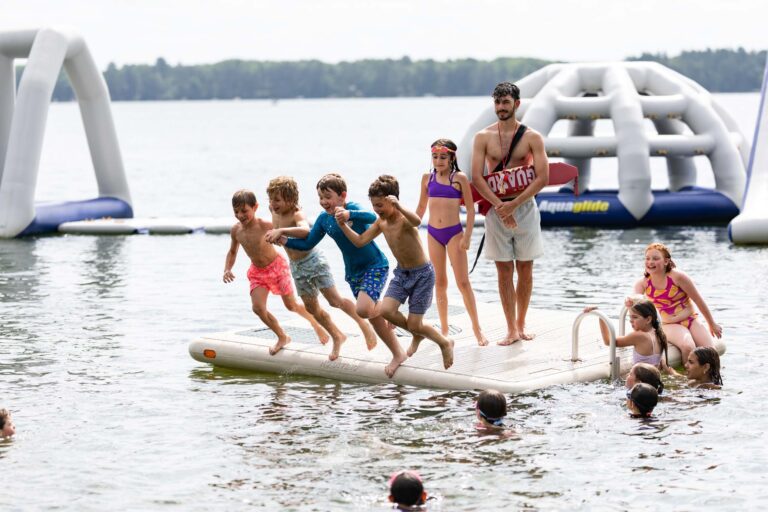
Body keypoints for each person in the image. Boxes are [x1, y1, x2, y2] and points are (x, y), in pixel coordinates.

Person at [278, 173, 406, 377]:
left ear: (342, 196)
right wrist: (284, 240)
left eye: (328, 197)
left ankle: (389, 308)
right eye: (320, 197)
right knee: (372, 316)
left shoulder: (352, 208)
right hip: (353, 273)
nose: (323, 202)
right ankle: (398, 353)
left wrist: (349, 215)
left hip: (374, 265)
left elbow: (373, 217)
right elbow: (308, 243)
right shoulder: (324, 220)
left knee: (364, 309)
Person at [336, 175, 454, 370]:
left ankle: (444, 342)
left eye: (380, 205)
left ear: (392, 201)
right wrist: (342, 226)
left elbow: (417, 221)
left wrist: (399, 206)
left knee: (415, 324)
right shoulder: (381, 223)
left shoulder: (404, 219)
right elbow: (360, 241)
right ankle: (418, 333)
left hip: (422, 275)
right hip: (401, 274)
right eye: (374, 205)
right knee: (386, 311)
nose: (376, 210)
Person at [263, 176, 377, 361]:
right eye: (271, 199)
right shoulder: (273, 210)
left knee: (334, 300)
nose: (273, 204)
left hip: (313, 262)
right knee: (311, 307)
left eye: (277, 200)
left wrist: (281, 231)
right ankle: (337, 335)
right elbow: (279, 230)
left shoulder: (297, 213)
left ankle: (363, 324)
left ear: (290, 200)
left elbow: (305, 231)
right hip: (296, 266)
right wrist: (276, 237)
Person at [471, 81, 549, 344]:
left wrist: (514, 205)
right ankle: (510, 329)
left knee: (525, 266)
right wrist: (499, 205)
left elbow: (542, 177)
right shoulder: (483, 137)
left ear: (517, 104)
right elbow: (477, 177)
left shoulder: (532, 137)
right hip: (496, 208)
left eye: (505, 102)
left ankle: (521, 324)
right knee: (503, 269)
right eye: (497, 102)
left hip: (524, 207)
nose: (501, 107)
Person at [223, 189, 329, 356]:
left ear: (255, 207)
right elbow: (232, 251)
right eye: (236, 211)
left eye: (244, 211)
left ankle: (316, 324)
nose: (240, 215)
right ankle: (282, 336)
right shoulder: (236, 230)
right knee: (258, 308)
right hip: (257, 272)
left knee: (291, 305)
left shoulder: (265, 225)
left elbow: (287, 229)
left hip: (277, 267)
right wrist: (227, 269)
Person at [415, 139, 488, 347]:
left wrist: (468, 236)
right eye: (435, 157)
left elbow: (471, 210)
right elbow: (421, 208)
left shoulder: (459, 178)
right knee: (440, 283)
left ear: (452, 158)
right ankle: (445, 330)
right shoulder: (427, 179)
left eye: (443, 157)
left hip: (454, 233)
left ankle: (477, 328)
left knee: (463, 282)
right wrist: (409, 228)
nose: (438, 161)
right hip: (433, 234)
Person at [632, 242, 722, 364]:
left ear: (666, 261)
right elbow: (635, 306)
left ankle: (713, 376)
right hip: (667, 325)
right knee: (688, 346)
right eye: (647, 258)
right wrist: (631, 302)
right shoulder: (642, 283)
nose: (650, 262)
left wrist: (712, 324)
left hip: (690, 320)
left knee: (712, 354)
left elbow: (698, 300)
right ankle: (687, 376)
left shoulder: (678, 277)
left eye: (655, 258)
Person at [584, 300, 675, 374]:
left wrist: (601, 317)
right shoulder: (659, 334)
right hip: (653, 381)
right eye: (630, 317)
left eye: (635, 317)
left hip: (639, 383)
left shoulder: (638, 336)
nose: (630, 321)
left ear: (648, 319)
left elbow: (608, 341)